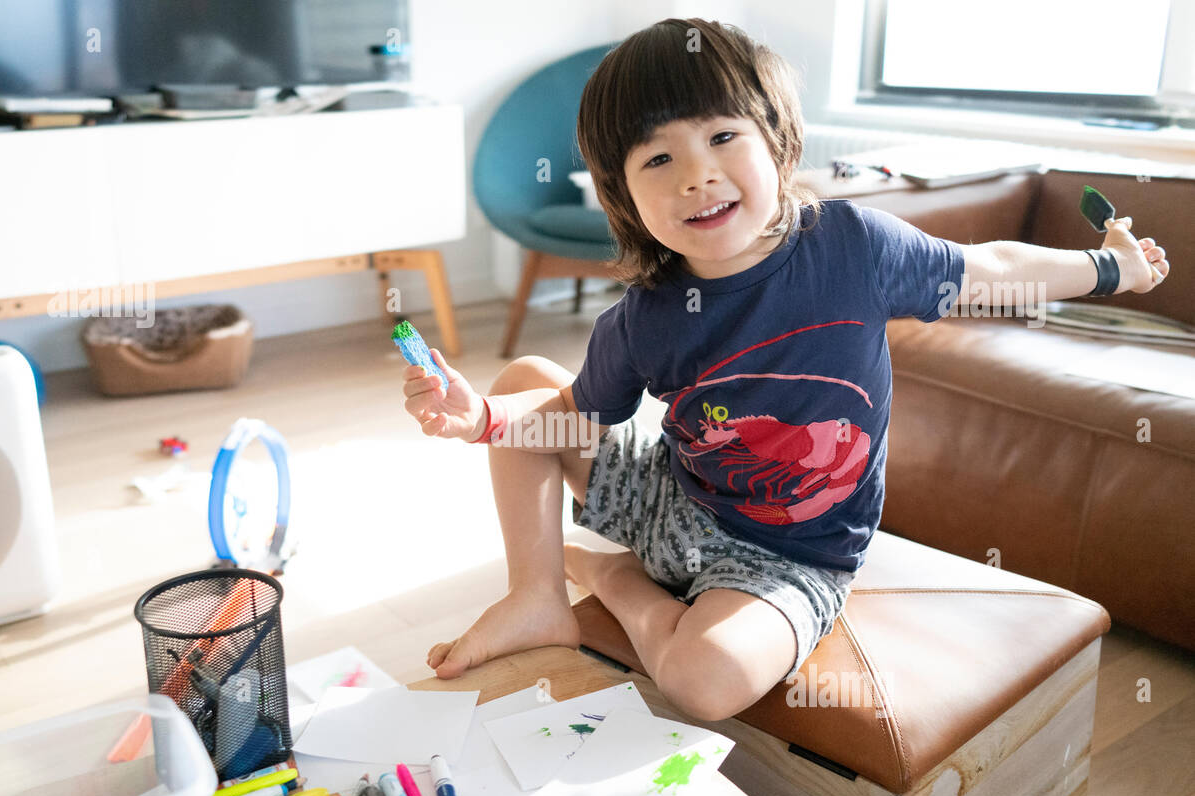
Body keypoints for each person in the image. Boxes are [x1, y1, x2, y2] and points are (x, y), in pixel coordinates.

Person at [399, 18, 1170, 722]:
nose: (696, 175)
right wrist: (483, 422)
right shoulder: (645, 313)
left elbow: (993, 268)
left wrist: (1109, 268)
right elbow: (573, 418)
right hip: (671, 501)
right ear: (624, 198)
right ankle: (536, 595)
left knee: (703, 682)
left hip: (792, 556)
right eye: (658, 157)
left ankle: (614, 582)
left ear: (780, 142)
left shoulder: (853, 249)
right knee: (518, 382)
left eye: (723, 136)